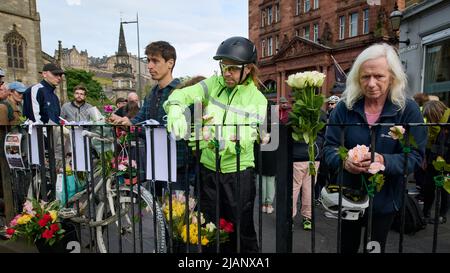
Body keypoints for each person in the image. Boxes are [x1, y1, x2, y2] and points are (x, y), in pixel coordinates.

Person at [164, 36, 267, 253]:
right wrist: (174, 108)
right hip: (208, 170)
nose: (226, 73)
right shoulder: (213, 84)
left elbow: (248, 137)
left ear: (248, 69)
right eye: (224, 66)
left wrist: (222, 142)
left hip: (238, 174)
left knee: (241, 231)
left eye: (233, 68)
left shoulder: (258, 99)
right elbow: (183, 93)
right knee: (209, 228)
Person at [323, 43, 427, 253]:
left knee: (375, 248)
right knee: (346, 248)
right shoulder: (345, 107)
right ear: (357, 78)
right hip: (349, 195)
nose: (371, 83)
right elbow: (329, 148)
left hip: (385, 198)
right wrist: (344, 161)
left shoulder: (407, 110)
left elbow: (415, 156)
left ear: (392, 77)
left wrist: (384, 161)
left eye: (378, 76)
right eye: (365, 77)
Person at [109, 41, 181, 195]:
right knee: (157, 212)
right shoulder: (151, 93)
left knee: (177, 213)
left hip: (178, 166)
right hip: (155, 162)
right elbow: (138, 120)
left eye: (155, 61)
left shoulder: (181, 91)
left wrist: (135, 126)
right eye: (148, 60)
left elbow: (177, 131)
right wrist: (123, 122)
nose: (149, 66)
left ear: (170, 63)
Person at [292, 110, 326, 230]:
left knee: (294, 187)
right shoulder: (320, 113)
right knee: (309, 188)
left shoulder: (297, 113)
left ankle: (290, 217)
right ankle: (308, 218)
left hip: (297, 155)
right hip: (314, 155)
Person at [422, 100, 449, 224]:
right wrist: (425, 159)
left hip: (447, 160)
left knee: (445, 188)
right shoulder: (433, 126)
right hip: (433, 158)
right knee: (428, 186)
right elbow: (429, 142)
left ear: (437, 113)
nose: (429, 120)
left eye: (430, 116)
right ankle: (425, 213)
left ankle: (442, 215)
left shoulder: (448, 121)